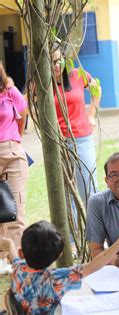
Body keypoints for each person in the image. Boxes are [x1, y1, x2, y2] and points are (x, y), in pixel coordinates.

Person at [0, 220, 119, 314]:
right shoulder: (57, 279)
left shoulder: (19, 269)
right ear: (59, 255)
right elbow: (94, 265)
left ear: (21, 253)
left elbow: (12, 251)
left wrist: (8, 242)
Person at [52, 46, 101, 207]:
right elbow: (27, 105)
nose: (57, 66)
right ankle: (72, 233)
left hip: (82, 139)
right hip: (57, 143)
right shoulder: (42, 83)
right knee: (66, 195)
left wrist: (91, 114)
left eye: (59, 60)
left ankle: (96, 231)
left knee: (89, 189)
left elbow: (96, 88)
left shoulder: (77, 75)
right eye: (52, 62)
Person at [0, 63, 28, 249]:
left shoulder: (10, 92)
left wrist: (15, 140)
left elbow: (22, 116)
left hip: (11, 154)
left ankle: (18, 262)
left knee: (15, 210)